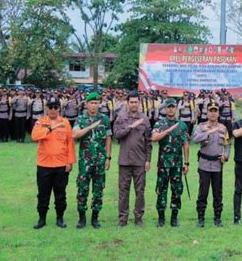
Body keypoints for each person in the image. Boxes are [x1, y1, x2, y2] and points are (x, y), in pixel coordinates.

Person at [31, 97, 76, 229]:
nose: (53, 109)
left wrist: (70, 162)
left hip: (61, 165)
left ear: (59, 108)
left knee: (60, 194)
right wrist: (50, 129)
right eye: (50, 107)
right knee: (43, 194)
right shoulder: (41, 122)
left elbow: (70, 143)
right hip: (44, 165)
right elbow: (34, 136)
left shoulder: (65, 123)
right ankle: (42, 219)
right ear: (46, 108)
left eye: (56, 107)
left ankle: (60, 218)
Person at [73, 92, 113, 229]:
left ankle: (95, 218)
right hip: (85, 161)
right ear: (86, 104)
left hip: (100, 161)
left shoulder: (105, 119)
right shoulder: (80, 119)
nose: (94, 106)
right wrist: (89, 127)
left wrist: (108, 157)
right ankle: (81, 218)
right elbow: (75, 135)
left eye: (96, 103)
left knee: (98, 189)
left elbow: (108, 138)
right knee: (82, 189)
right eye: (91, 103)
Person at [113, 91, 152, 227]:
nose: (134, 104)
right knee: (123, 191)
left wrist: (148, 160)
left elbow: (149, 141)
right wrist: (130, 127)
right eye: (131, 102)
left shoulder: (145, 119)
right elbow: (116, 135)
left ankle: (138, 218)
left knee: (140, 191)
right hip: (124, 161)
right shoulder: (121, 118)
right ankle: (122, 219)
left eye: (136, 102)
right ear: (127, 103)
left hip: (140, 161)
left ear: (139, 103)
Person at [151, 98, 190, 227]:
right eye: (169, 107)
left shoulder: (182, 125)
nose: (171, 109)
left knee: (177, 190)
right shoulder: (159, 124)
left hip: (177, 165)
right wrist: (167, 131)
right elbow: (154, 138)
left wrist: (187, 163)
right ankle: (161, 218)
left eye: (173, 107)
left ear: (176, 108)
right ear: (165, 109)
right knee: (161, 190)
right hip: (163, 164)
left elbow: (185, 144)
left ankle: (174, 218)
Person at [193, 101, 230, 227]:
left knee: (217, 192)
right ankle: (201, 218)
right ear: (207, 112)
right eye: (211, 111)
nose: (213, 113)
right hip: (204, 164)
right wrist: (208, 132)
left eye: (215, 111)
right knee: (203, 192)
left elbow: (227, 144)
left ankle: (217, 217)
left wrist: (226, 156)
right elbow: (195, 139)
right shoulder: (201, 126)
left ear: (218, 113)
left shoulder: (223, 128)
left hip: (217, 165)